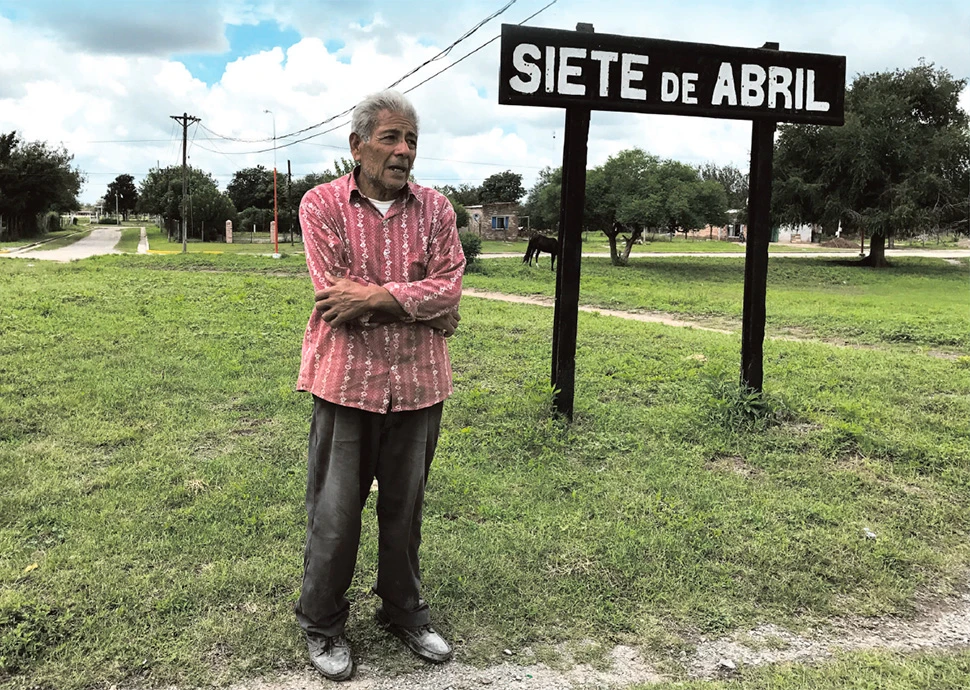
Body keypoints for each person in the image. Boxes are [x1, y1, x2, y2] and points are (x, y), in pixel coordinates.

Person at [294, 89, 465, 682]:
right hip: (346, 383)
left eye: (411, 139)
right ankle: (322, 622)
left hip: (419, 385)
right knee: (334, 514)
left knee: (404, 510)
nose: (403, 150)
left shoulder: (436, 209)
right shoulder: (321, 204)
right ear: (358, 145)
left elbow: (450, 288)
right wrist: (421, 306)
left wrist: (374, 298)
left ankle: (403, 612)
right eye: (391, 137)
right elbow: (333, 298)